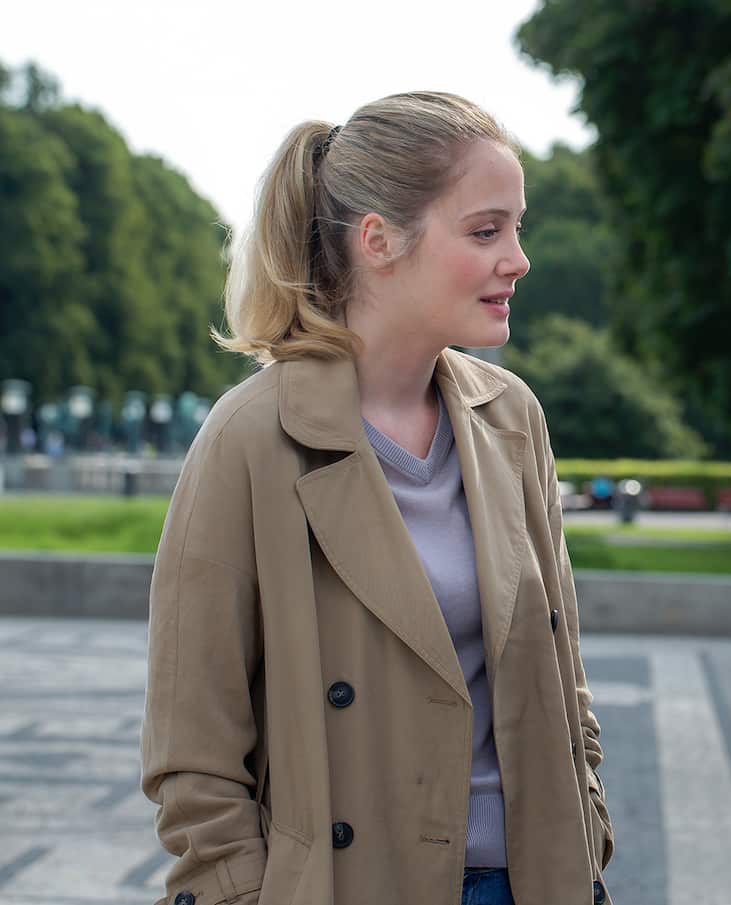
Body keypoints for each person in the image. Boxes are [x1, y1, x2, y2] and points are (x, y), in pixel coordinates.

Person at [141, 91, 611, 905]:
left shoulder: (511, 418)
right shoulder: (252, 436)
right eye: (486, 229)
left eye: (517, 226)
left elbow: (561, 677)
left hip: (534, 882)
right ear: (379, 240)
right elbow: (194, 744)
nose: (519, 258)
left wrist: (588, 829)